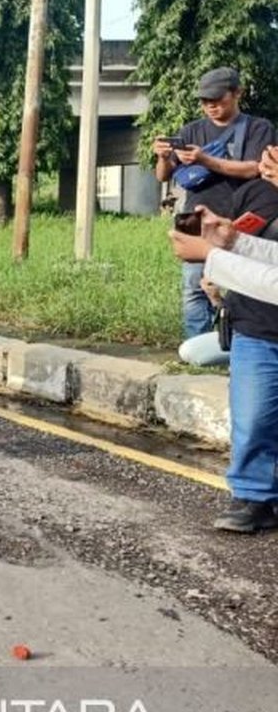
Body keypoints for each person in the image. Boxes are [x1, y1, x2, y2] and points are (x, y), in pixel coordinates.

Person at [169, 148, 278, 532]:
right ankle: (253, 498)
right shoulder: (255, 194)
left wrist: (212, 257)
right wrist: (231, 241)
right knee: (252, 419)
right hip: (255, 327)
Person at [153, 67, 276, 341]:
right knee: (194, 287)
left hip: (242, 219)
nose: (211, 106)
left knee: (242, 286)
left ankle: (233, 345)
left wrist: (205, 160)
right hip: (194, 217)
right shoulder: (191, 130)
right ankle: (197, 346)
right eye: (205, 101)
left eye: (218, 99)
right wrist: (162, 157)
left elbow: (254, 170)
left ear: (237, 94)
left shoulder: (259, 128)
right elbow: (164, 175)